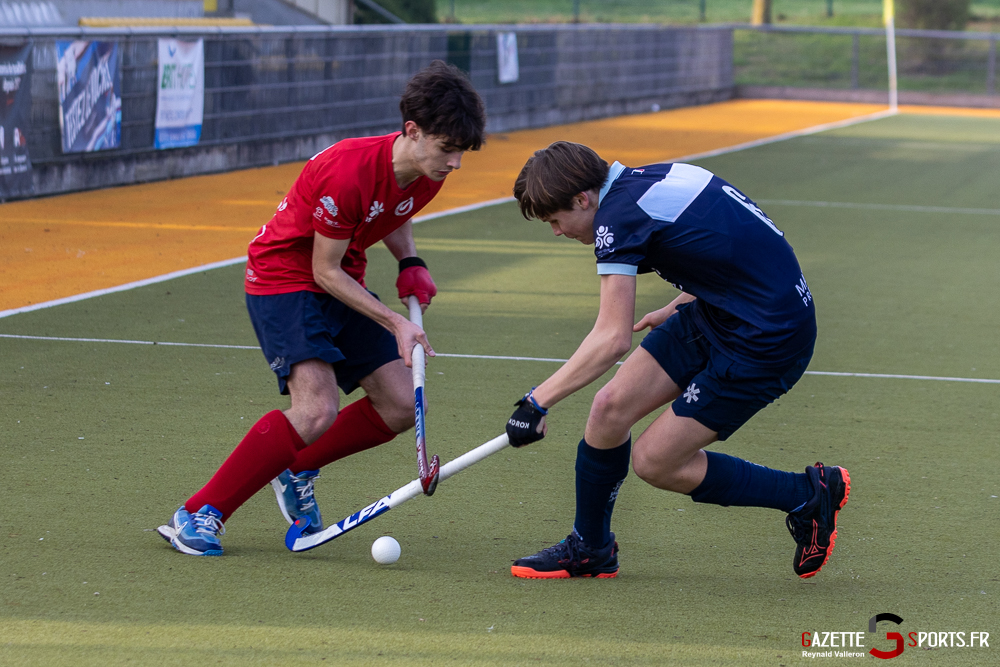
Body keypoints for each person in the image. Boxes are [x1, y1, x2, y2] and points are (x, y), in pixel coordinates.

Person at [157, 61, 486, 556]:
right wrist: (395, 320)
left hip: (337, 277)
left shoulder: (426, 171)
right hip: (284, 280)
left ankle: (294, 465)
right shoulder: (348, 171)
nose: (455, 162)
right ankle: (198, 514)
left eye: (461, 151)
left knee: (398, 404)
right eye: (447, 149)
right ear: (412, 131)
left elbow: (394, 212)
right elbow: (322, 272)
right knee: (316, 408)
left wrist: (409, 260)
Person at [504, 141, 849, 579]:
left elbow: (611, 339)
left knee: (654, 461)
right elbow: (737, 242)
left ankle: (807, 492)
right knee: (609, 410)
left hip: (766, 340)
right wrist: (679, 303)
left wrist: (536, 402)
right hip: (717, 309)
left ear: (582, 199)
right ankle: (591, 548)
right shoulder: (652, 178)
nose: (556, 230)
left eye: (556, 219)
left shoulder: (618, 216)